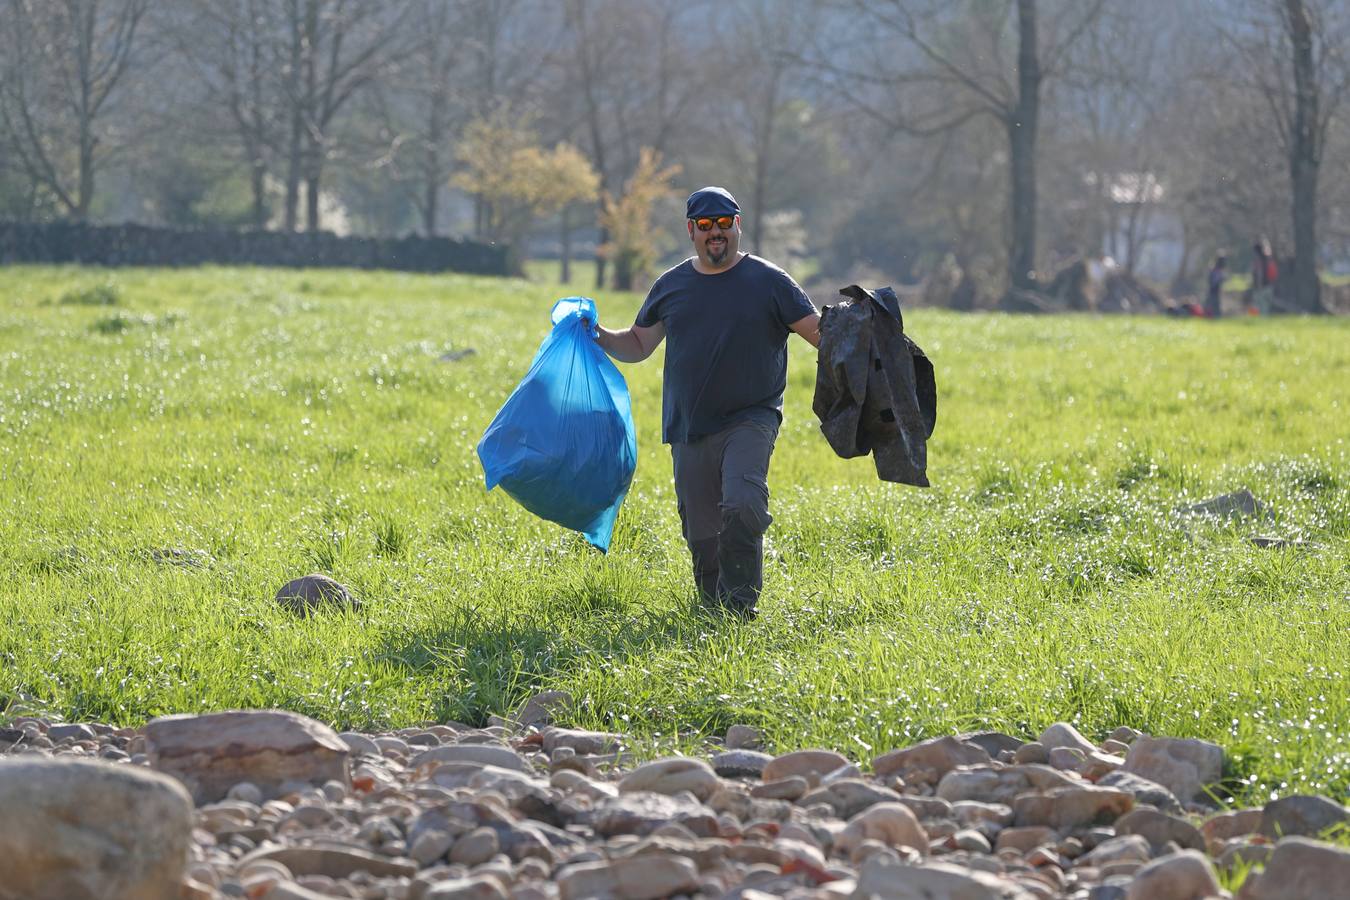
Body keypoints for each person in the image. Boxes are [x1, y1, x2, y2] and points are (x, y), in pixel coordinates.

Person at [595, 186, 820, 619]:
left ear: (737, 225)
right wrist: (596, 332)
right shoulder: (672, 285)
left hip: (752, 417)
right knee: (701, 532)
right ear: (690, 231)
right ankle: (714, 609)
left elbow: (817, 332)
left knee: (742, 503)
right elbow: (640, 343)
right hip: (689, 424)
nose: (714, 232)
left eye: (723, 223)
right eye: (704, 225)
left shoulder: (769, 281)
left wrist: (861, 331)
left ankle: (740, 606)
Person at [1250, 237, 1277, 315]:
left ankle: (1256, 322)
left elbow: (1259, 274)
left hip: (1261, 288)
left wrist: (1258, 287)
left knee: (1257, 306)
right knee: (1265, 307)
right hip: (1269, 286)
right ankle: (1263, 322)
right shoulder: (1267, 258)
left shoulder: (1258, 260)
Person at [1206, 252, 1228, 318]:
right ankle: (1213, 316)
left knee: (1216, 304)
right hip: (1213, 290)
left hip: (1216, 290)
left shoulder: (1218, 269)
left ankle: (1216, 316)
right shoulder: (1215, 269)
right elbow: (1214, 281)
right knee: (1213, 304)